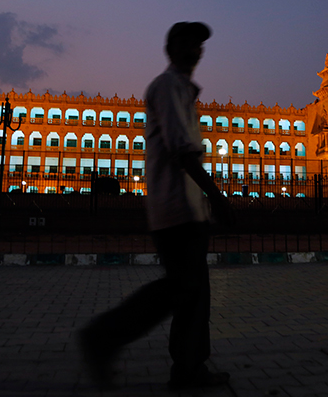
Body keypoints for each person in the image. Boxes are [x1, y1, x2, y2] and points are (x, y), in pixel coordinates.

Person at [79, 22, 234, 391]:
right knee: (181, 289)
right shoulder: (168, 87)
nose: (194, 51)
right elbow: (183, 150)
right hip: (176, 209)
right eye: (186, 44)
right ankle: (104, 335)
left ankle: (188, 370)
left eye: (198, 45)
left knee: (193, 295)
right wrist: (216, 195)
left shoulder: (182, 90)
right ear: (170, 48)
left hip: (186, 210)